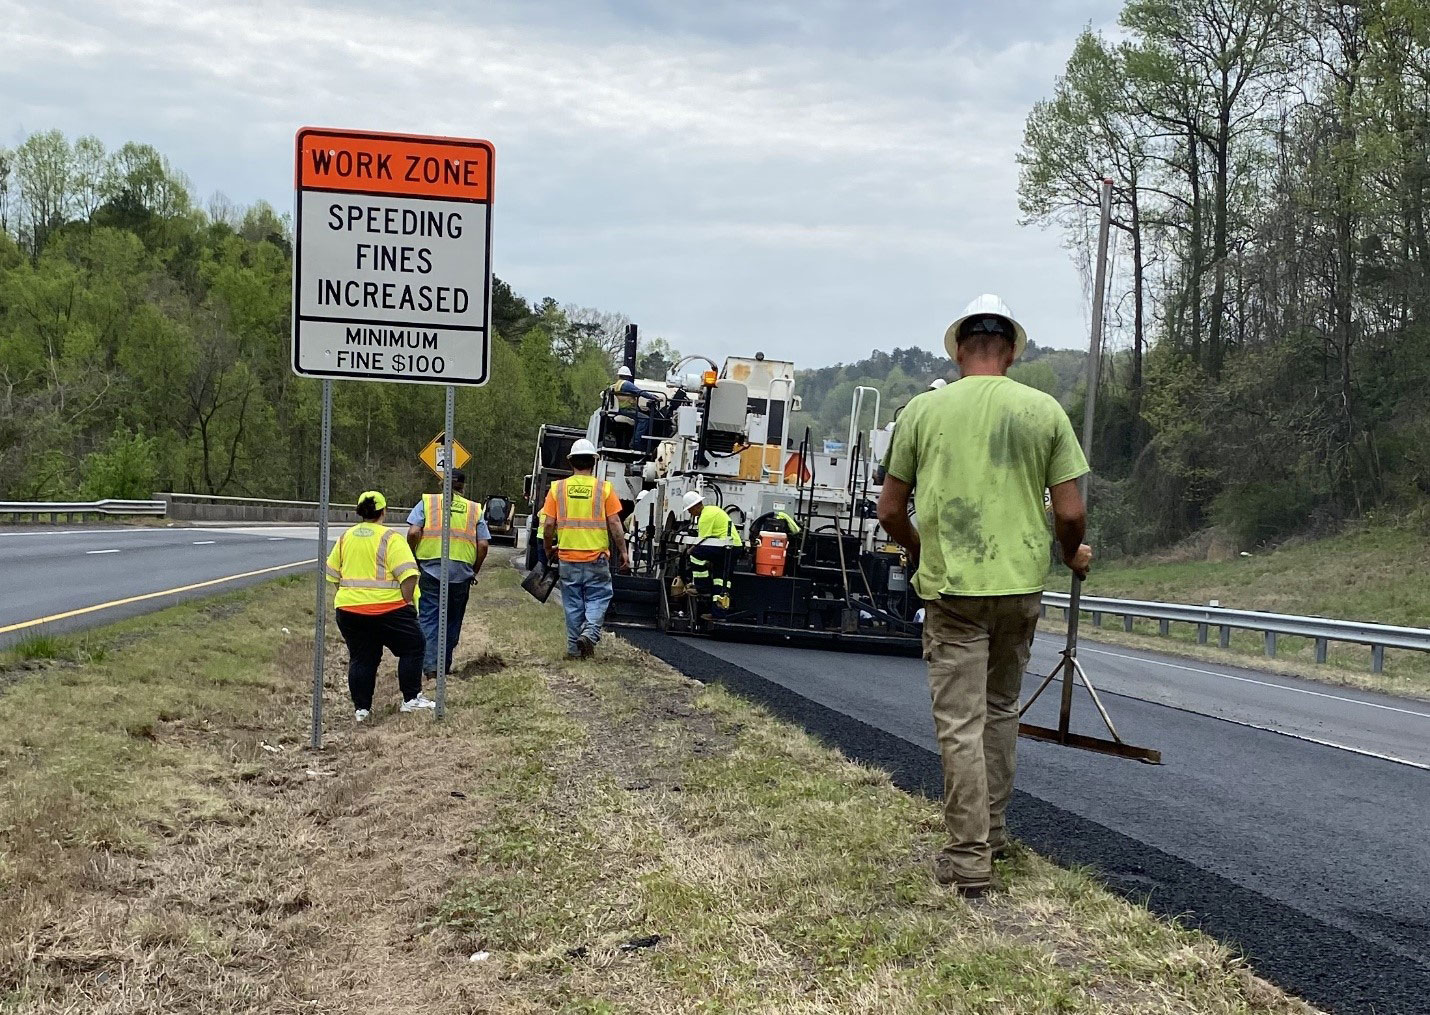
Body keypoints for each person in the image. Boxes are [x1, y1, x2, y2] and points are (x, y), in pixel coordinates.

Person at [876, 293, 1092, 898]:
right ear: (1013, 351)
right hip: (1020, 588)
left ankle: (969, 857)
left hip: (953, 591)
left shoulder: (924, 411)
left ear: (958, 350)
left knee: (960, 722)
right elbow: (1071, 512)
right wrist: (1071, 551)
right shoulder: (1043, 410)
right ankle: (993, 832)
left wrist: (922, 549)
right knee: (1000, 712)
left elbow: (890, 509)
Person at [325, 491, 436, 721]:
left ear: (359, 512)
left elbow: (332, 574)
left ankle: (362, 710)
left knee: (362, 658)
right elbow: (409, 575)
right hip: (389, 610)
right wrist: (406, 603)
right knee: (413, 646)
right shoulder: (390, 538)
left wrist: (350, 598)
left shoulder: (346, 537)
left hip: (349, 611)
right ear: (384, 512)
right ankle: (411, 698)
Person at [542, 438, 629, 658]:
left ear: (571, 462)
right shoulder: (604, 489)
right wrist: (624, 552)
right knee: (598, 598)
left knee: (572, 604)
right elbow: (615, 524)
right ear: (594, 462)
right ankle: (590, 633)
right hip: (596, 557)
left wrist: (547, 548)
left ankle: (574, 650)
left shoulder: (557, 489)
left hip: (568, 557)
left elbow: (549, 524)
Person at [405, 468, 490, 680]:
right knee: (452, 619)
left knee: (429, 617)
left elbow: (414, 532)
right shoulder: (474, 509)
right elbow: (483, 546)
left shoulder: (427, 503)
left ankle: (431, 667)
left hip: (431, 569)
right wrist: (474, 570)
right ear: (463, 486)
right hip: (461, 573)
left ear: (442, 484)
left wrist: (415, 557)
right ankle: (445, 664)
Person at [680, 490, 743, 618]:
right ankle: (718, 614)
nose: (689, 512)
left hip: (726, 546)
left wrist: (689, 550)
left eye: (689, 509)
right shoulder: (712, 510)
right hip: (733, 547)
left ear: (695, 506)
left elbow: (701, 542)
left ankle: (702, 587)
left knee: (696, 555)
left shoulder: (705, 517)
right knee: (721, 581)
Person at [611, 365, 661, 451]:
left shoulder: (617, 384)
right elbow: (640, 392)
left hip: (622, 409)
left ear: (619, 375)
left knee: (642, 415)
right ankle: (636, 442)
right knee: (644, 419)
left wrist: (640, 408)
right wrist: (654, 398)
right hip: (627, 410)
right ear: (628, 376)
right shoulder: (626, 384)